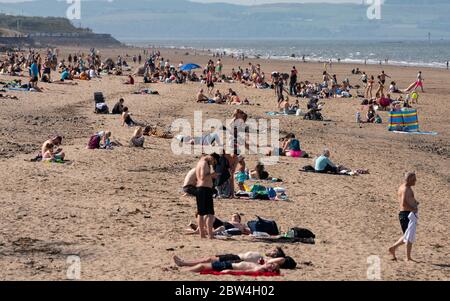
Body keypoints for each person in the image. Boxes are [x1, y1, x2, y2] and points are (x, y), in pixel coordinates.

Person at [173, 247, 296, 270]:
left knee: (207, 261)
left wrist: (279, 258)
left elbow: (281, 260)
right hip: (236, 256)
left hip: (238, 260)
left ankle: (184, 263)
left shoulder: (274, 261)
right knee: (207, 259)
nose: (272, 250)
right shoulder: (267, 259)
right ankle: (185, 263)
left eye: (275, 251)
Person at [389, 172, 419, 262]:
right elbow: (403, 203)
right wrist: (413, 209)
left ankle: (393, 248)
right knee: (409, 237)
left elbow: (408, 200)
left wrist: (415, 202)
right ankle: (408, 257)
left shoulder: (404, 187)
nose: (415, 181)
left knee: (407, 235)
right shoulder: (406, 189)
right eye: (414, 179)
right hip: (407, 214)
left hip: (406, 214)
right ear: (409, 179)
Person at [195, 154, 219, 239]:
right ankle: (210, 234)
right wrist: (212, 175)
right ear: (210, 156)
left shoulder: (199, 163)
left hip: (201, 189)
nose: (212, 163)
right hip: (205, 189)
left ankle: (202, 234)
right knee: (210, 213)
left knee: (201, 213)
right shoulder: (204, 163)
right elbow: (202, 177)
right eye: (213, 161)